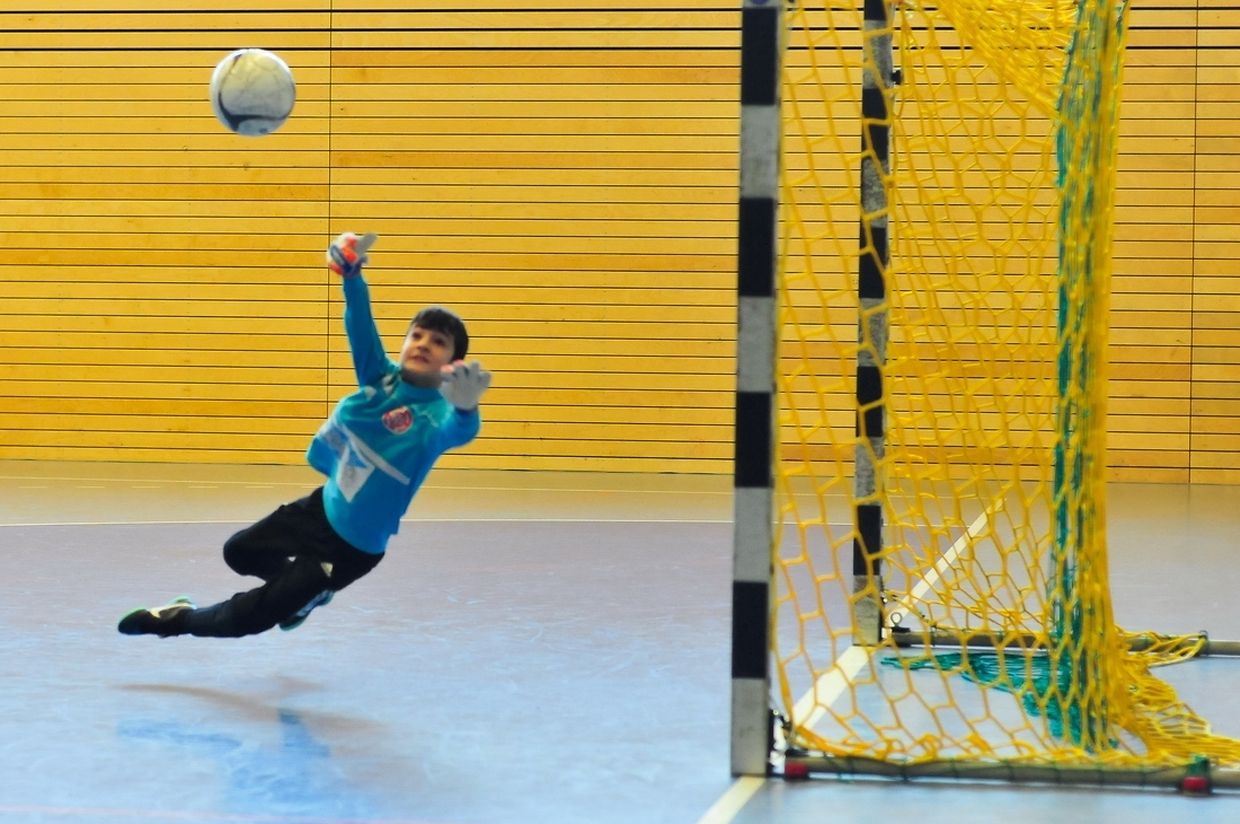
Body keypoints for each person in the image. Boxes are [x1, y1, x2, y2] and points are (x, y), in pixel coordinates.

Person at [118, 232, 492, 638]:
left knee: (251, 618)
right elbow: (360, 326)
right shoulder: (380, 378)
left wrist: (466, 407)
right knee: (239, 552)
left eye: (438, 342)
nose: (422, 344)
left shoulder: (436, 417)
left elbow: (459, 430)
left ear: (453, 363)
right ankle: (303, 595)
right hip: (319, 509)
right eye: (416, 335)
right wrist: (352, 277)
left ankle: (176, 619)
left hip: (350, 550)